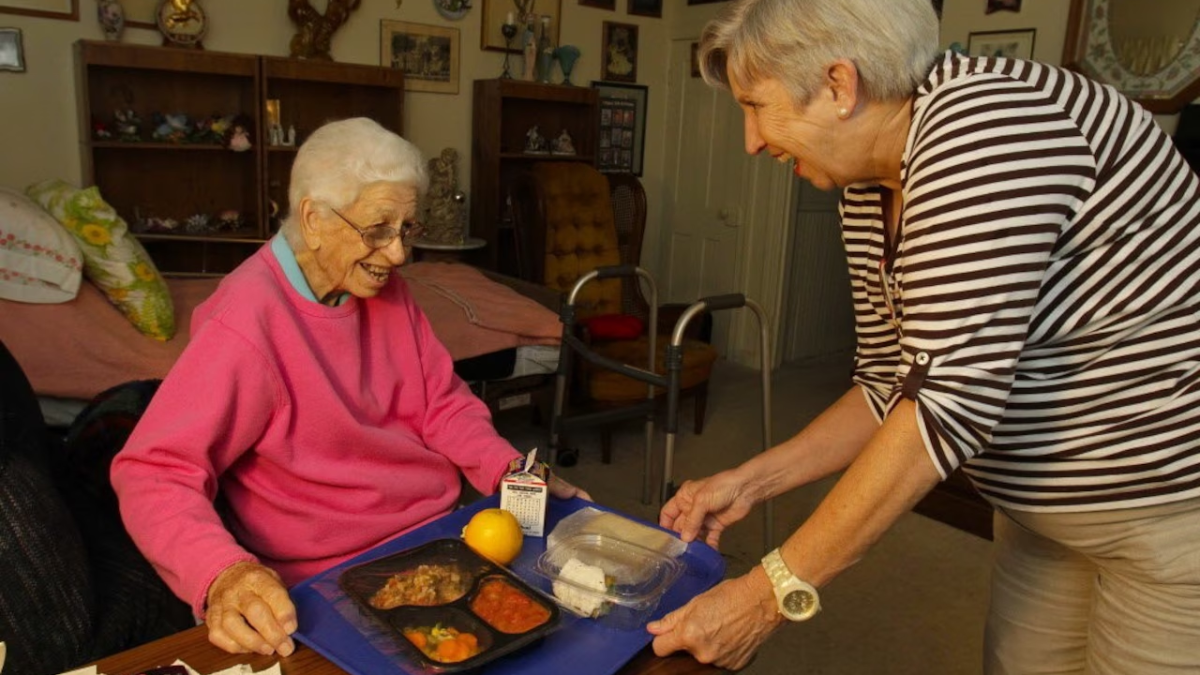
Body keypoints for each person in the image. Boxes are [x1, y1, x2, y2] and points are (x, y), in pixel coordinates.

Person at [648, 1, 1200, 673]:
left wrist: (765, 596)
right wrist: (751, 480)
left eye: (756, 105)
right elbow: (891, 378)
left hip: (1162, 512)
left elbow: (946, 405)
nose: (751, 140)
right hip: (1038, 513)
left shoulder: (988, 130)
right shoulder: (871, 177)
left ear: (839, 85)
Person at [110, 118, 589, 658]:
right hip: (332, 579)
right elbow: (154, 471)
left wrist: (511, 472)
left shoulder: (387, 290)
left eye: (408, 228)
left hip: (440, 539)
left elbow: (442, 404)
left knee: (577, 634)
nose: (399, 254)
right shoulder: (245, 322)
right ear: (313, 219)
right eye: (378, 229)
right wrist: (221, 574)